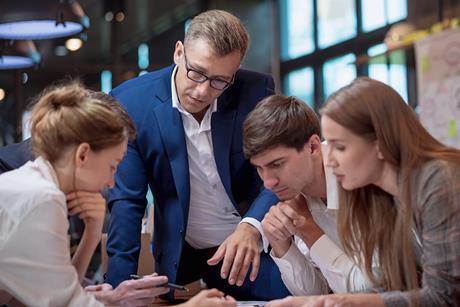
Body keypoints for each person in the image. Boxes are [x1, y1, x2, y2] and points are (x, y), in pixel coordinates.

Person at [106, 9, 289, 300]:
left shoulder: (254, 91)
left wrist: (252, 226)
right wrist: (118, 291)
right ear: (179, 52)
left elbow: (279, 174)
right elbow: (128, 202)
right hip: (183, 261)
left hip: (253, 249)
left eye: (219, 81)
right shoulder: (130, 102)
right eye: (197, 73)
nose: (203, 90)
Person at [0, 83, 236, 307]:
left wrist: (93, 232)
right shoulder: (42, 199)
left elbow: (62, 296)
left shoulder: (35, 185)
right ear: (83, 155)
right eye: (113, 166)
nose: (111, 181)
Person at [267, 77, 460, 307]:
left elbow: (445, 297)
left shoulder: (438, 180)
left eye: (340, 147)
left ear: (379, 143)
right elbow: (394, 287)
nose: (329, 159)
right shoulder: (383, 193)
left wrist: (347, 301)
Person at [242, 94, 372, 295]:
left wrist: (307, 228)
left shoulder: (360, 176)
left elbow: (369, 290)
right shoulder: (299, 194)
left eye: (277, 164)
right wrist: (281, 243)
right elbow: (315, 294)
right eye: (259, 169)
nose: (268, 183)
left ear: (313, 147)